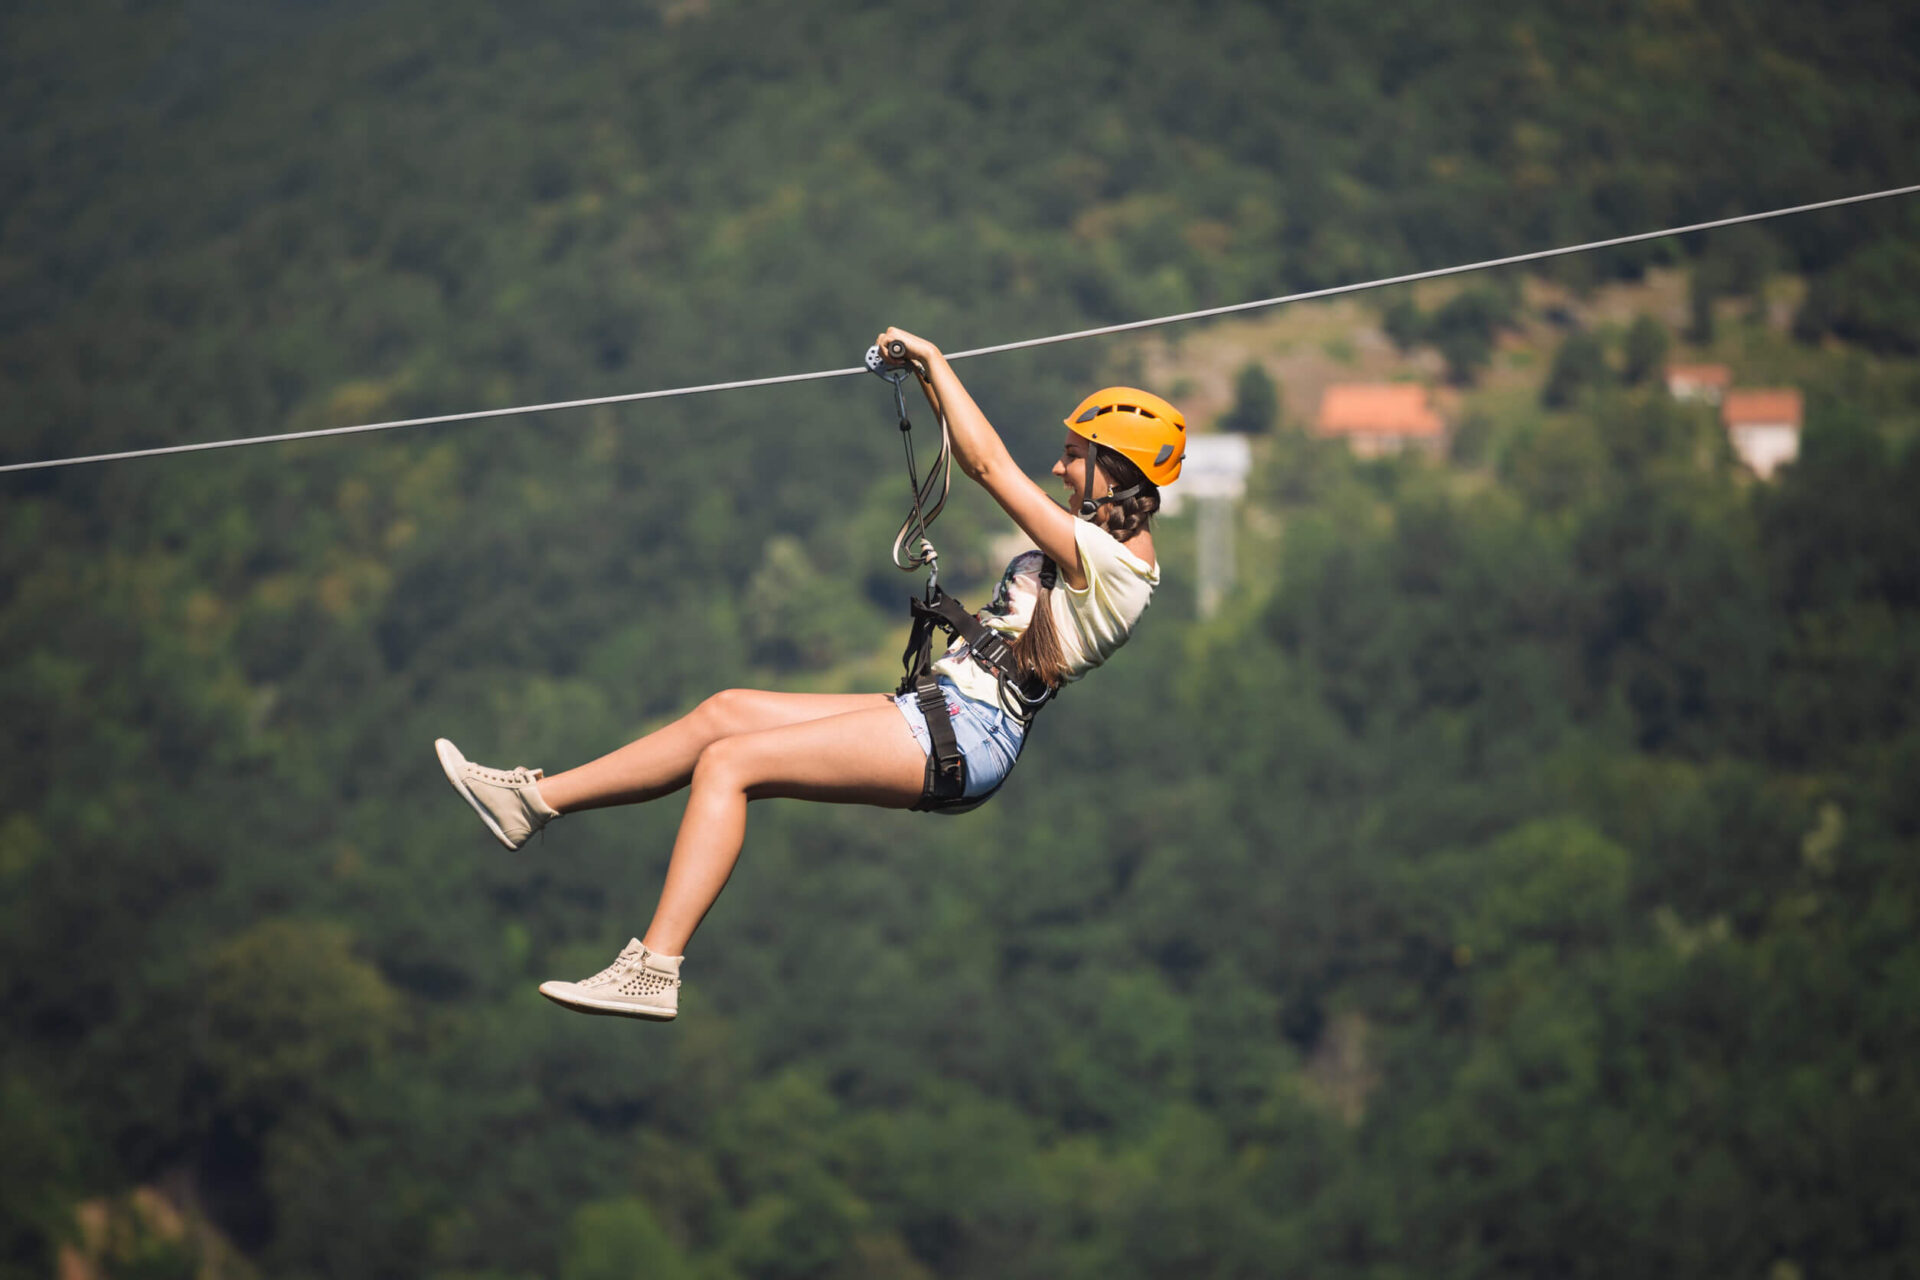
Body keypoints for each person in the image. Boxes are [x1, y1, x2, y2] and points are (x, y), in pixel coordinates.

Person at [434, 327, 1186, 1020]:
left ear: (1113, 472)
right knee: (725, 712)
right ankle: (533, 804)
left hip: (968, 734)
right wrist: (923, 375)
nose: (1057, 465)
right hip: (949, 710)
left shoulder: (1115, 568)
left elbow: (988, 466)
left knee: (731, 764)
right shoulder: (1094, 541)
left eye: (1072, 454)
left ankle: (654, 967)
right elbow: (974, 453)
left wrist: (937, 357)